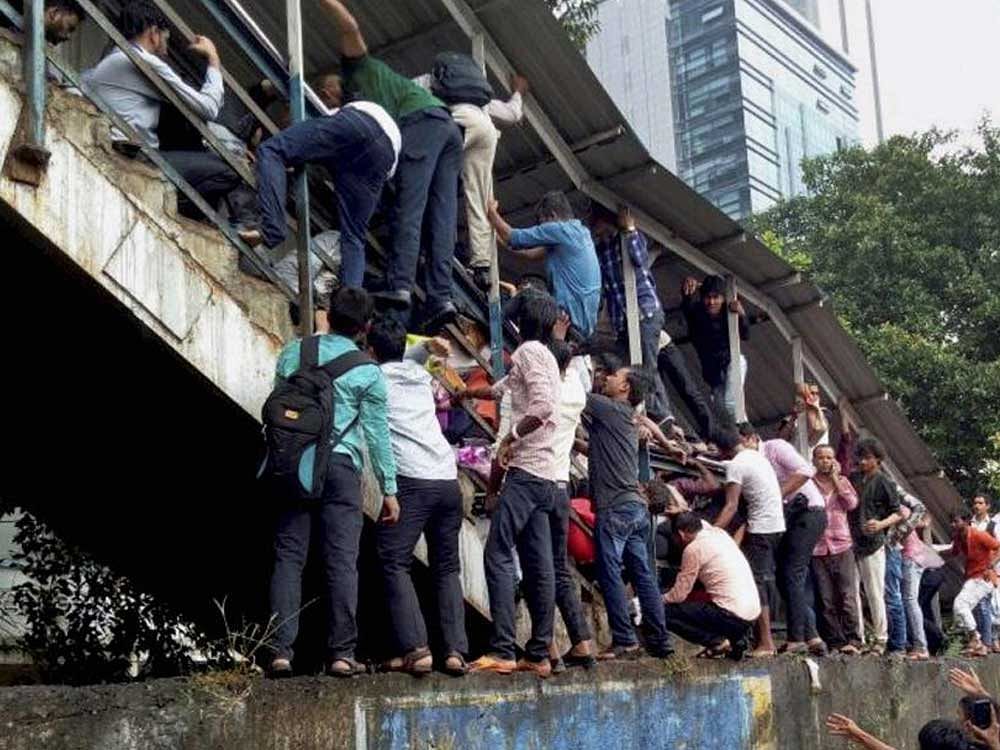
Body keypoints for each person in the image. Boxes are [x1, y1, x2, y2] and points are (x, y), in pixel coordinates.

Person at [267, 286, 398, 678]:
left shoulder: (294, 352)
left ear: (327, 314)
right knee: (342, 561)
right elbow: (377, 435)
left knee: (289, 557)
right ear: (366, 328)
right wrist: (389, 490)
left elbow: (279, 407)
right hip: (341, 470)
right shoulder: (367, 371)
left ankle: (279, 652)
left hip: (296, 464)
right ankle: (341, 654)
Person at [319, 0, 462, 331]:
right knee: (441, 218)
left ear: (331, 90)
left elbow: (350, 26)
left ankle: (399, 283)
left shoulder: (357, 70)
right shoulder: (381, 88)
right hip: (447, 126)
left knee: (409, 207)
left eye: (326, 97)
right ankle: (441, 296)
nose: (328, 103)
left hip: (421, 123)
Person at [457, 292, 562, 677]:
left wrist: (509, 438)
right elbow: (504, 389)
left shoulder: (529, 352)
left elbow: (542, 407)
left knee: (497, 553)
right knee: (539, 564)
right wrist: (468, 391)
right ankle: (538, 653)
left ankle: (501, 649)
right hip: (546, 476)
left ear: (517, 323)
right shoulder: (546, 356)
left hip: (526, 470)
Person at [81, 1, 257, 229]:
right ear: (153, 33)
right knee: (232, 169)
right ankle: (187, 211)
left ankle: (197, 214)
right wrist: (213, 60)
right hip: (136, 157)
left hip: (129, 149)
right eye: (166, 37)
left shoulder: (114, 59)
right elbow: (208, 107)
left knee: (197, 140)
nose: (166, 44)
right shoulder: (141, 61)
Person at [367, 318, 467, 677]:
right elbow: (412, 353)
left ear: (371, 351)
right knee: (446, 566)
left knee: (393, 560)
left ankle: (416, 649)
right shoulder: (420, 375)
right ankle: (455, 652)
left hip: (412, 480)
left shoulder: (373, 378)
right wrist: (428, 345)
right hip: (446, 479)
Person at [238, 77, 400, 291]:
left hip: (360, 121)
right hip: (387, 155)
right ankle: (352, 308)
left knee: (272, 151)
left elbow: (299, 143)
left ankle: (272, 228)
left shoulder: (328, 114)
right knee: (353, 236)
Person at [584, 365, 674, 660]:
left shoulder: (609, 408)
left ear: (625, 388)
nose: (608, 378)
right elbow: (601, 451)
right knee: (644, 576)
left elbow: (572, 396)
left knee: (609, 572)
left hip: (615, 508)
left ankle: (624, 639)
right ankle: (660, 640)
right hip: (635, 508)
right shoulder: (627, 419)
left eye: (615, 376)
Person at [412, 68, 528, 290]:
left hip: (457, 123)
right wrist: (518, 92)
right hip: (486, 132)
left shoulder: (426, 82)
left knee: (426, 182)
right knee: (479, 196)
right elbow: (512, 114)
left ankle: (423, 248)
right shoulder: (476, 95)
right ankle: (482, 267)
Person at [740, 424, 828, 656]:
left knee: (792, 574)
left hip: (807, 512)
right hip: (788, 516)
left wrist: (776, 495)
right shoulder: (748, 463)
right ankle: (812, 636)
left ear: (752, 438)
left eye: (742, 444)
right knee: (783, 578)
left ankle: (796, 638)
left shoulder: (774, 448)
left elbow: (805, 470)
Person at [589, 203, 669, 421]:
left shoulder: (628, 239)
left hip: (644, 312)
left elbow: (640, 261)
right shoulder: (601, 250)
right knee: (628, 366)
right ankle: (648, 411)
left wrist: (630, 229)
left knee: (647, 366)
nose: (598, 232)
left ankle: (660, 415)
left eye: (599, 226)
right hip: (623, 320)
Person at [488, 191, 602, 341]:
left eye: (542, 224)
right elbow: (527, 253)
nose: (542, 230)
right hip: (580, 329)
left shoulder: (560, 230)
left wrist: (491, 212)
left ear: (553, 216)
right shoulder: (581, 233)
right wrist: (494, 235)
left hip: (567, 321)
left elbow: (514, 237)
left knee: (526, 295)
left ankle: (493, 325)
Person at [545, 340, 596, 671]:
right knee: (559, 568)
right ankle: (582, 642)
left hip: (537, 481)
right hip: (561, 486)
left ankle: (546, 649)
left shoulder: (543, 391)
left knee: (536, 566)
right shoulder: (576, 389)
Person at [713, 426, 784, 657]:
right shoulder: (756, 457)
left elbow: (731, 506)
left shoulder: (736, 465)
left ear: (723, 451)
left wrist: (712, 531)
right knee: (763, 580)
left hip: (761, 528)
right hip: (775, 526)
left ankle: (766, 642)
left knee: (757, 583)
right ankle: (758, 639)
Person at [662, 512, 761, 659]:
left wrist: (658, 599)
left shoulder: (694, 549)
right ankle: (737, 642)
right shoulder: (719, 534)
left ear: (681, 534)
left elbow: (678, 595)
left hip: (730, 616)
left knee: (663, 612)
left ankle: (715, 641)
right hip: (751, 617)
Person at [848, 437, 903, 655]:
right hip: (852, 542)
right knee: (852, 593)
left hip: (873, 543)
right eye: (860, 458)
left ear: (878, 460)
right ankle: (858, 637)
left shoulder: (884, 482)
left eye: (868, 458)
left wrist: (880, 523)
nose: (863, 462)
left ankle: (881, 639)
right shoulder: (854, 478)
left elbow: (899, 512)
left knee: (875, 592)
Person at [811, 444, 862, 654]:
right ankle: (835, 641)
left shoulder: (843, 482)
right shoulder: (808, 483)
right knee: (825, 598)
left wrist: (835, 480)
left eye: (829, 457)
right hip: (817, 547)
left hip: (842, 545)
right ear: (814, 460)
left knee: (847, 596)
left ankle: (854, 640)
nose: (826, 461)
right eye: (821, 458)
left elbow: (851, 504)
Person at [680, 274, 749, 422]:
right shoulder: (697, 313)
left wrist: (741, 315)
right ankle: (744, 436)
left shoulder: (729, 312)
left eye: (716, 297)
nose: (711, 302)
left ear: (723, 298)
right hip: (714, 374)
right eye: (707, 297)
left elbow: (746, 334)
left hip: (733, 362)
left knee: (732, 404)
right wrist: (688, 291)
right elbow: (687, 309)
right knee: (721, 411)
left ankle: (745, 435)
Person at [941, 507, 1000, 657]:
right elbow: (952, 552)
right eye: (952, 522)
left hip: (983, 577)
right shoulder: (959, 536)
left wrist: (991, 565)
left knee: (961, 605)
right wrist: (931, 552)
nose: (953, 525)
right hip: (972, 577)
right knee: (964, 611)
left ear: (966, 522)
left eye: (956, 521)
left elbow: (998, 546)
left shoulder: (978, 535)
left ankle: (977, 641)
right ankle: (978, 642)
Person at [969, 494, 1000, 653]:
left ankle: (987, 642)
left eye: (980, 503)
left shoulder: (993, 525)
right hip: (972, 571)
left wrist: (990, 566)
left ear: (987, 506)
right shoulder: (970, 524)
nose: (977, 505)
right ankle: (981, 642)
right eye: (975, 502)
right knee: (975, 606)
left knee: (985, 606)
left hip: (987, 572)